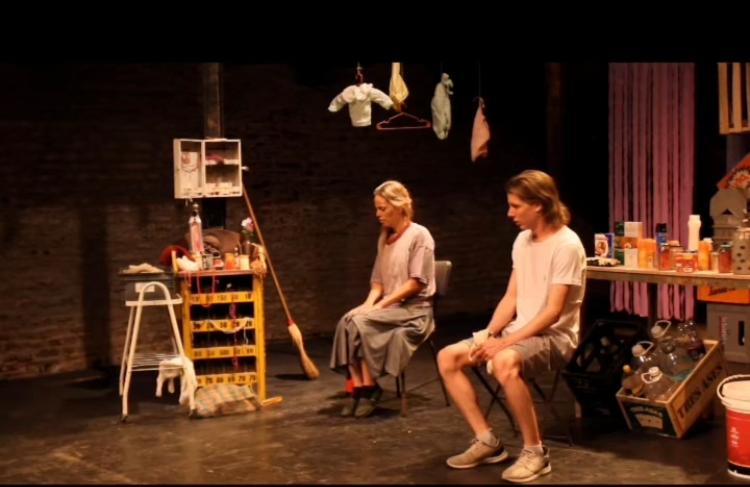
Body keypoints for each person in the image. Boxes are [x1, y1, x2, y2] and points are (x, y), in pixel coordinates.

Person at [437, 169, 585, 483]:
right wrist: (490, 334)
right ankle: (487, 441)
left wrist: (504, 343)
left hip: (554, 337)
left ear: (539, 205)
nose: (509, 213)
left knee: (504, 360)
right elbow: (512, 296)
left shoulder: (567, 245)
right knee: (448, 357)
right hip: (518, 331)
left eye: (516, 206)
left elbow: (553, 312)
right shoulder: (522, 241)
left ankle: (535, 452)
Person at [330, 180, 436, 418]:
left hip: (415, 311)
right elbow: (378, 283)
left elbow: (415, 283)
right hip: (392, 308)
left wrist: (379, 307)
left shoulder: (419, 235)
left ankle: (369, 388)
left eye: (382, 208)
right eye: (377, 208)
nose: (378, 214)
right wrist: (368, 305)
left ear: (399, 206)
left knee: (361, 323)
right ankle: (360, 387)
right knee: (348, 320)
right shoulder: (385, 238)